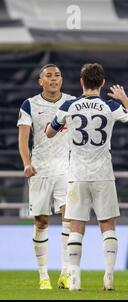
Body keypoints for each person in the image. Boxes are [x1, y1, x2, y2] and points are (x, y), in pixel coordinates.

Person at [45, 63, 128, 291]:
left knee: (76, 225)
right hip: (103, 174)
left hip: (76, 174)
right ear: (102, 83)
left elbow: (49, 133)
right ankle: (108, 277)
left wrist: (60, 126)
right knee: (107, 224)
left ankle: (75, 278)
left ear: (81, 82)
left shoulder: (69, 105)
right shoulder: (109, 106)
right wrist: (123, 97)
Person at [17, 64, 75, 290]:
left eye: (57, 75)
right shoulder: (29, 104)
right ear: (40, 81)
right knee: (41, 221)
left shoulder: (71, 102)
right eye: (48, 76)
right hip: (40, 168)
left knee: (68, 217)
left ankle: (65, 272)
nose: (53, 79)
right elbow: (23, 138)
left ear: (62, 80)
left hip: (66, 168)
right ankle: (43, 276)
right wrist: (26, 163)